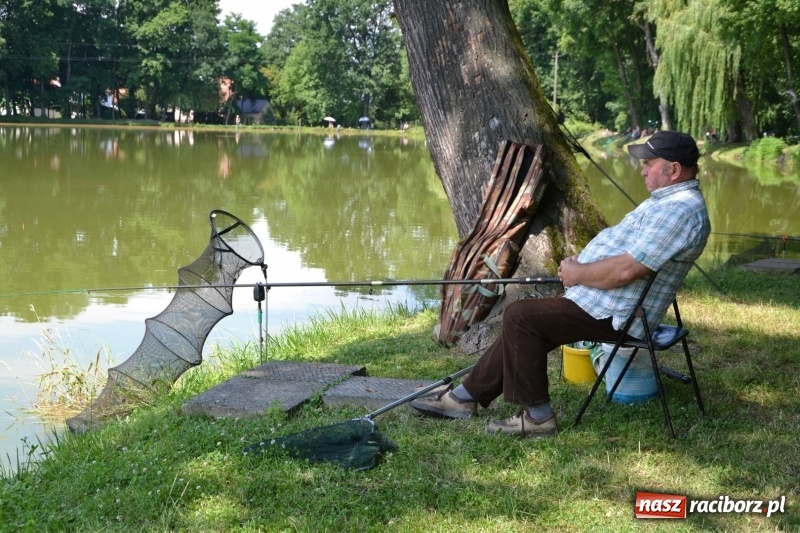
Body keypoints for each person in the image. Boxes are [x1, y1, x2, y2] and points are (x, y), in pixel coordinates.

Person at [411, 131, 711, 438]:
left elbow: (626, 270)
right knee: (527, 323)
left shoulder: (680, 211)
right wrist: (586, 262)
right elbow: (628, 255)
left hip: (619, 314)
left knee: (522, 316)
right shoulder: (668, 203)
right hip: (603, 300)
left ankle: (537, 417)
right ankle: (463, 398)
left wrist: (580, 273)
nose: (643, 169)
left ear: (673, 170)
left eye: (649, 163)